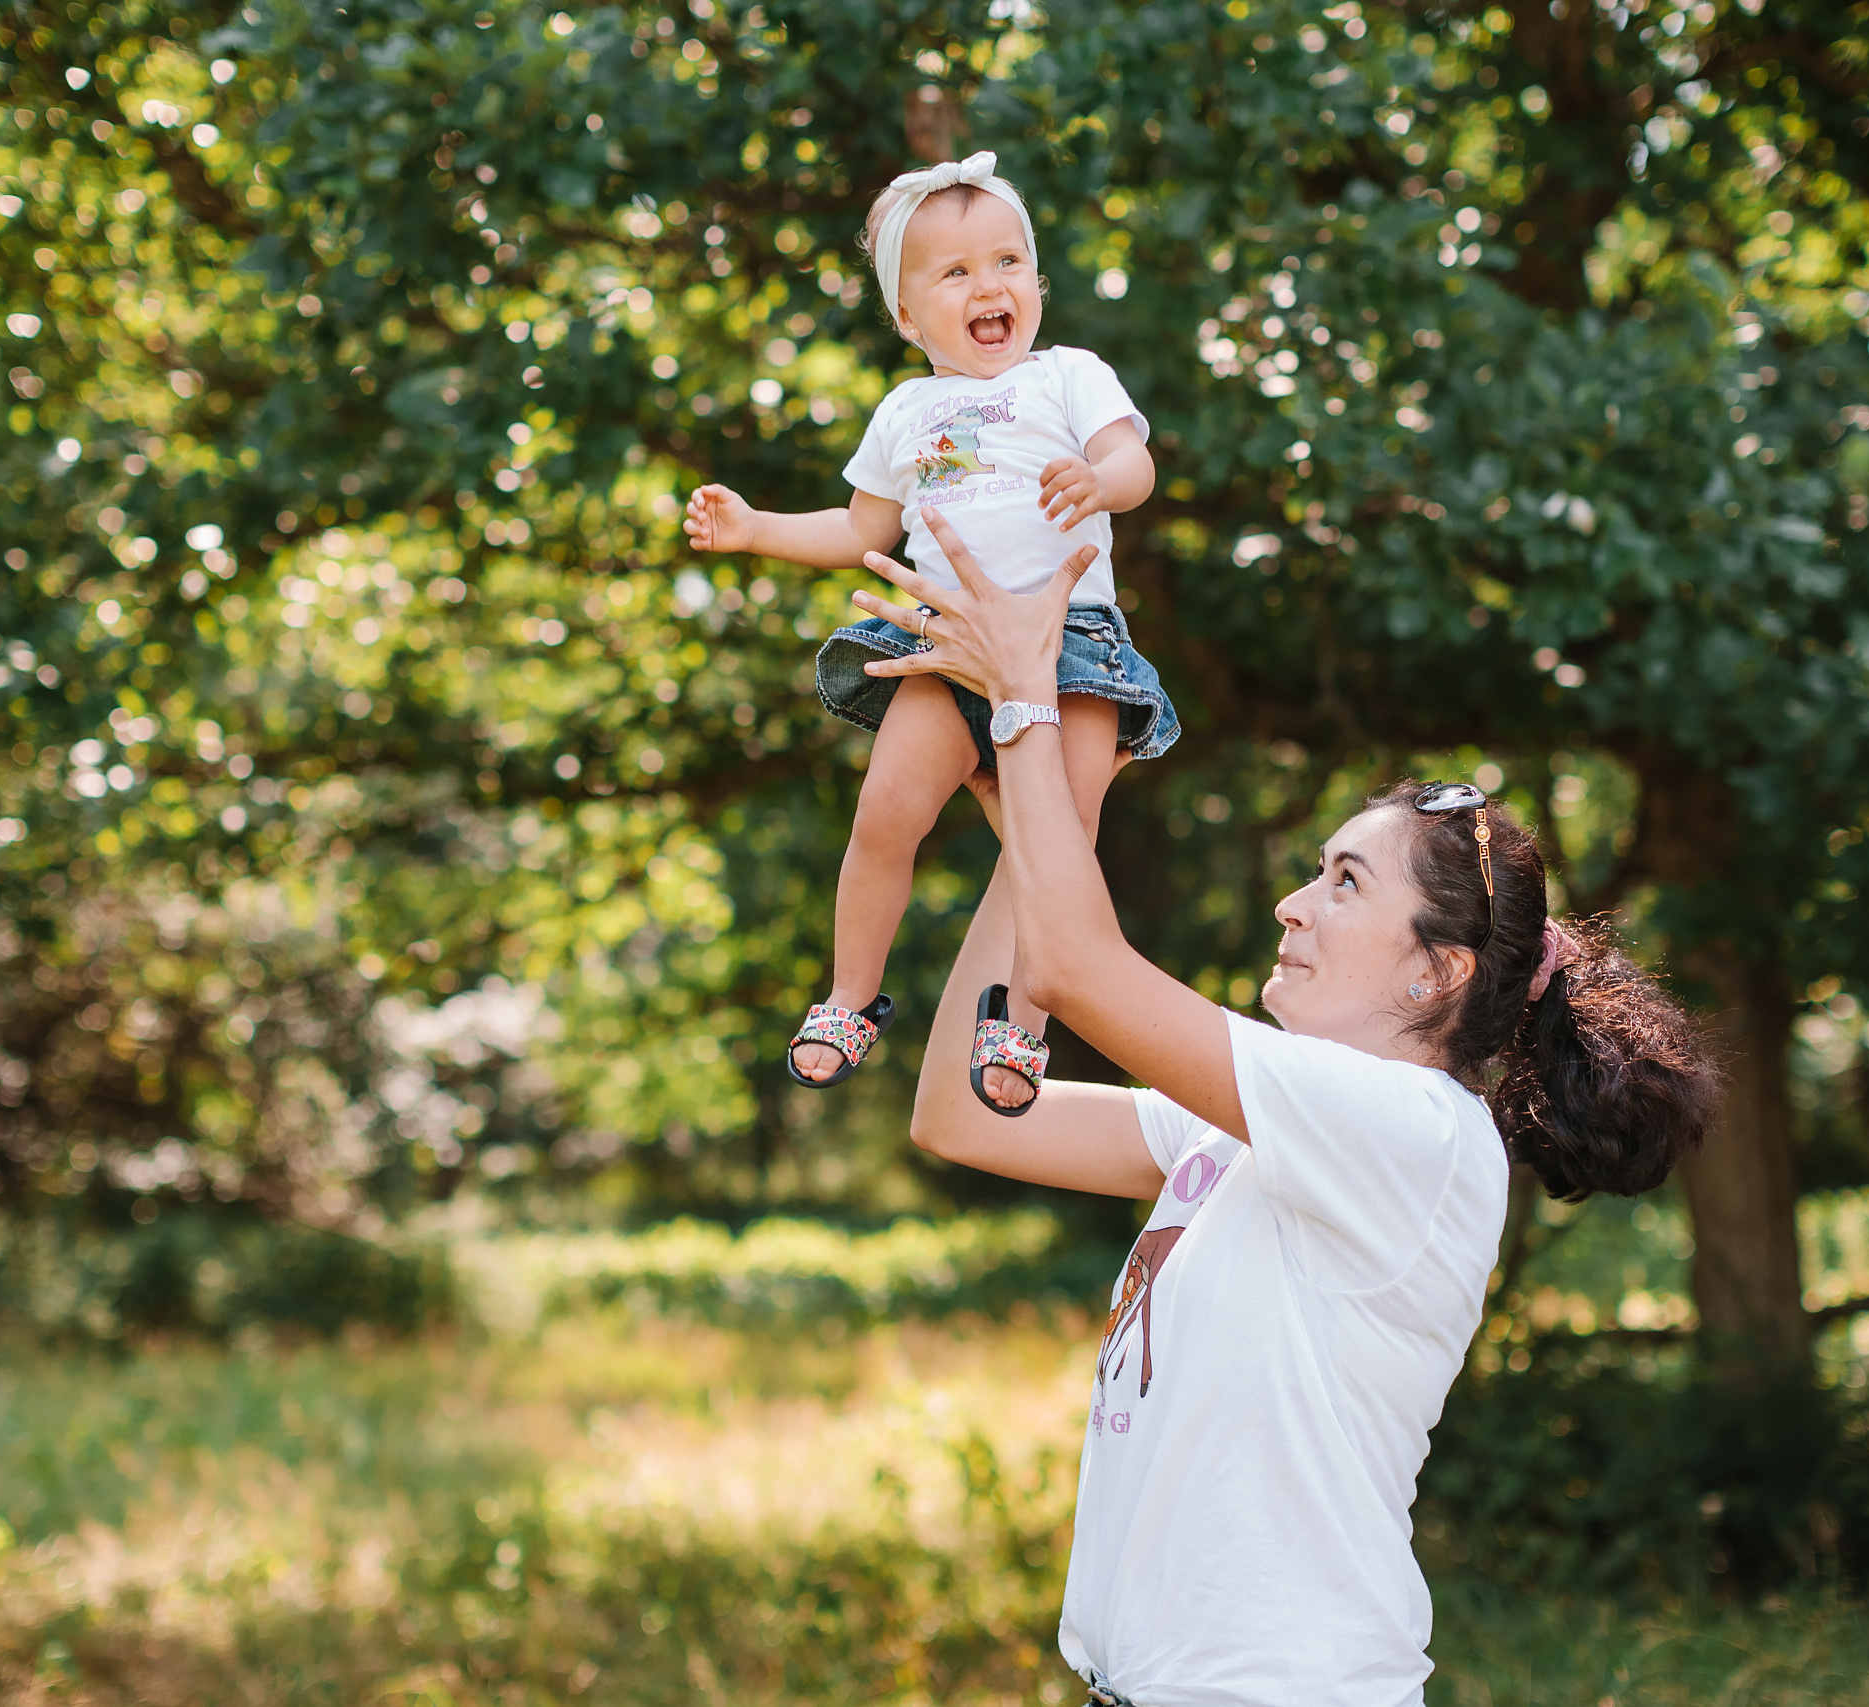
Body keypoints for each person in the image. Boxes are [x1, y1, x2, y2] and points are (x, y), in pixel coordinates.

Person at [851, 510, 1718, 1706]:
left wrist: (1025, 702)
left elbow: (1080, 968)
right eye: (1316, 871)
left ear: (1437, 971)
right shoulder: (1247, 1132)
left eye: (1344, 882)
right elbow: (963, 1113)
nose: (1292, 907)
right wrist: (1030, 840)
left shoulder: (1411, 1134)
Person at [682, 150, 1178, 1114]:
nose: (988, 285)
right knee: (883, 819)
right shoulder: (907, 411)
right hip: (941, 642)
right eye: (954, 273)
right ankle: (850, 996)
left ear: (1037, 284)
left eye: (1005, 263)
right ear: (910, 318)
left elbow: (1135, 462)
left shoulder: (1070, 376)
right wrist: (755, 531)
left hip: (1069, 644)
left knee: (1061, 837)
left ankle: (1021, 1020)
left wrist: (1101, 482)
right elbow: (860, 530)